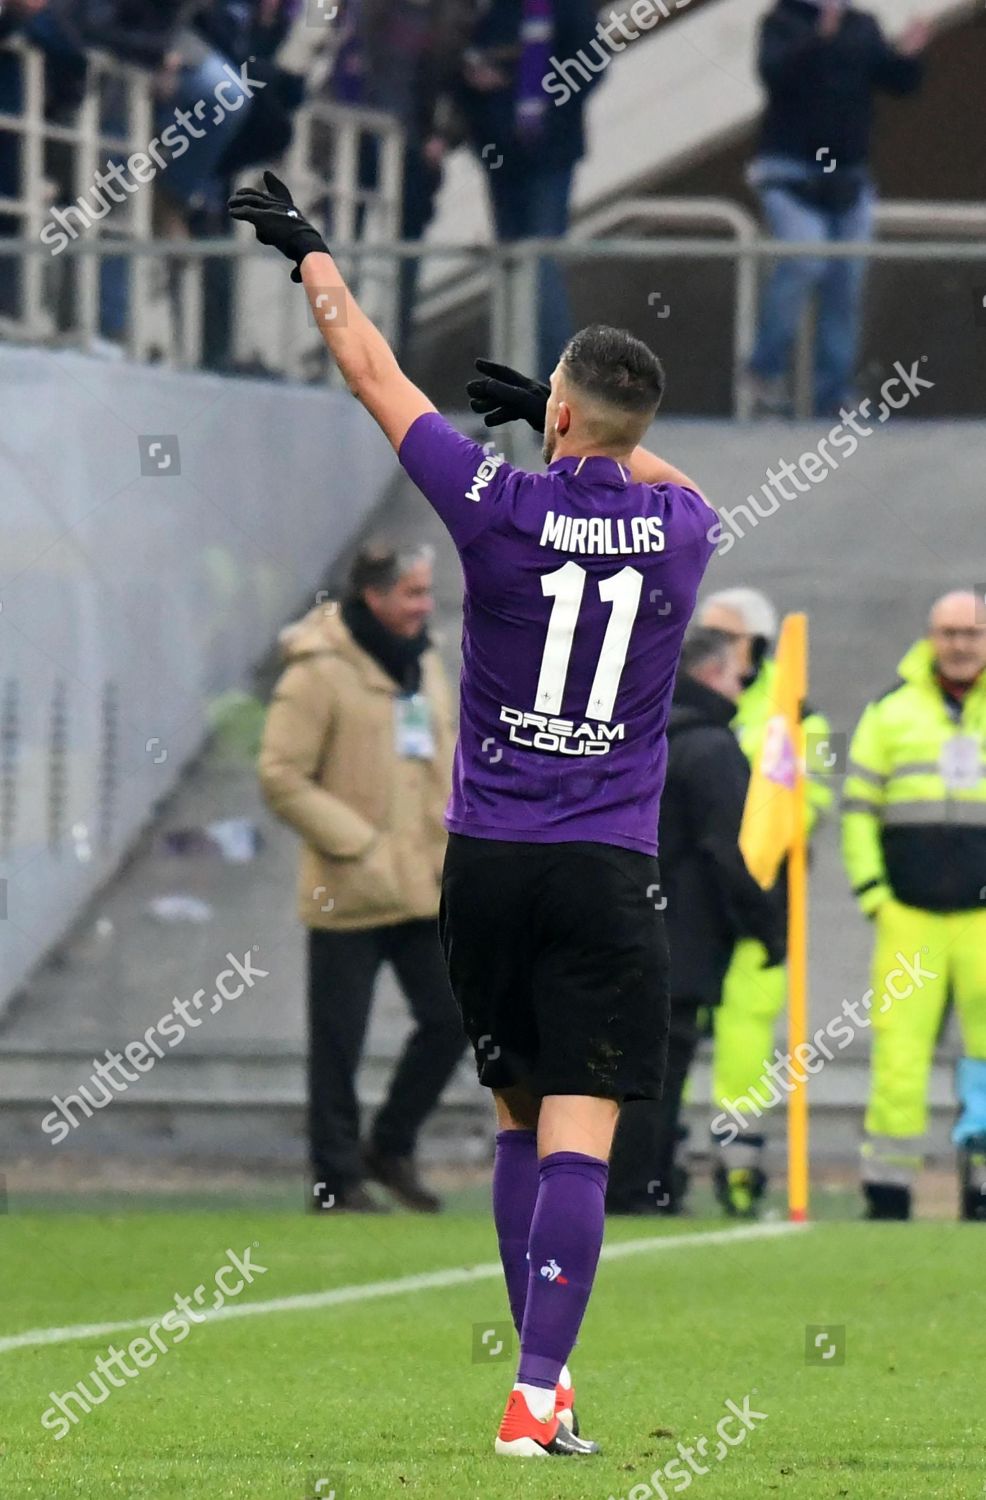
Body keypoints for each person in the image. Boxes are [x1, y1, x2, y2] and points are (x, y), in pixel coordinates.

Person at [230, 170, 716, 1457]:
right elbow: (652, 457)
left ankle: (535, 1394)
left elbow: (373, 373)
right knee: (581, 1142)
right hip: (606, 868)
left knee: (514, 1119)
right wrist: (579, 427)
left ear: (551, 412)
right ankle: (539, 1390)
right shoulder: (681, 532)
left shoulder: (494, 504)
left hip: (487, 861)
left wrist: (313, 256)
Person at [258, 542, 466, 1214]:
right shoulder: (316, 672)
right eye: (411, 592)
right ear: (373, 596)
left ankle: (390, 1144)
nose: (423, 605)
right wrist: (359, 843)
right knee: (338, 1044)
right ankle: (335, 1178)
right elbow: (281, 776)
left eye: (426, 591)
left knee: (453, 1017)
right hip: (348, 888)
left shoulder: (425, 662)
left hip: (422, 881)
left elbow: (444, 753)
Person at [606, 628, 784, 1217]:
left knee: (623, 1064)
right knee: (659, 1069)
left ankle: (639, 1181)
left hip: (618, 920)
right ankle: (636, 1189)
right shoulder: (711, 747)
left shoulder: (637, 732)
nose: (744, 685)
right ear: (711, 674)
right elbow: (730, 850)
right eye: (738, 674)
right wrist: (769, 925)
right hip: (680, 934)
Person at [842, 590, 986, 1222]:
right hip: (910, 920)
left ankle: (980, 1188)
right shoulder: (890, 713)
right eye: (949, 632)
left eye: (973, 633)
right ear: (930, 636)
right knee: (898, 1060)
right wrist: (875, 894)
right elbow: (856, 811)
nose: (960, 644)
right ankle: (888, 1191)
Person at [697, 587, 833, 1216]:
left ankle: (739, 1168)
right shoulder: (682, 697)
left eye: (722, 633)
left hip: (756, 899)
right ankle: (647, 1162)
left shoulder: (796, 714)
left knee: (746, 1038)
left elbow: (814, 800)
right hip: (691, 891)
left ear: (752, 641)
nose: (709, 642)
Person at [746, 0, 930, 417]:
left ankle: (833, 394)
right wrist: (818, 39)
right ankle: (766, 368)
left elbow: (896, 82)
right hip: (791, 170)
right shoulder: (782, 21)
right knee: (804, 260)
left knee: (846, 282)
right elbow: (774, 75)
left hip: (848, 174)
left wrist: (909, 56)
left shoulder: (862, 25)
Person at [458, 0, 602, 379]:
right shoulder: (490, 12)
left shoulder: (567, 10)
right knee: (510, 265)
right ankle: (517, 380)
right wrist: (480, 88)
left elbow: (591, 65)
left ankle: (555, 379)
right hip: (501, 155)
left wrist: (541, 104)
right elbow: (460, 63)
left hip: (549, 154)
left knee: (541, 262)